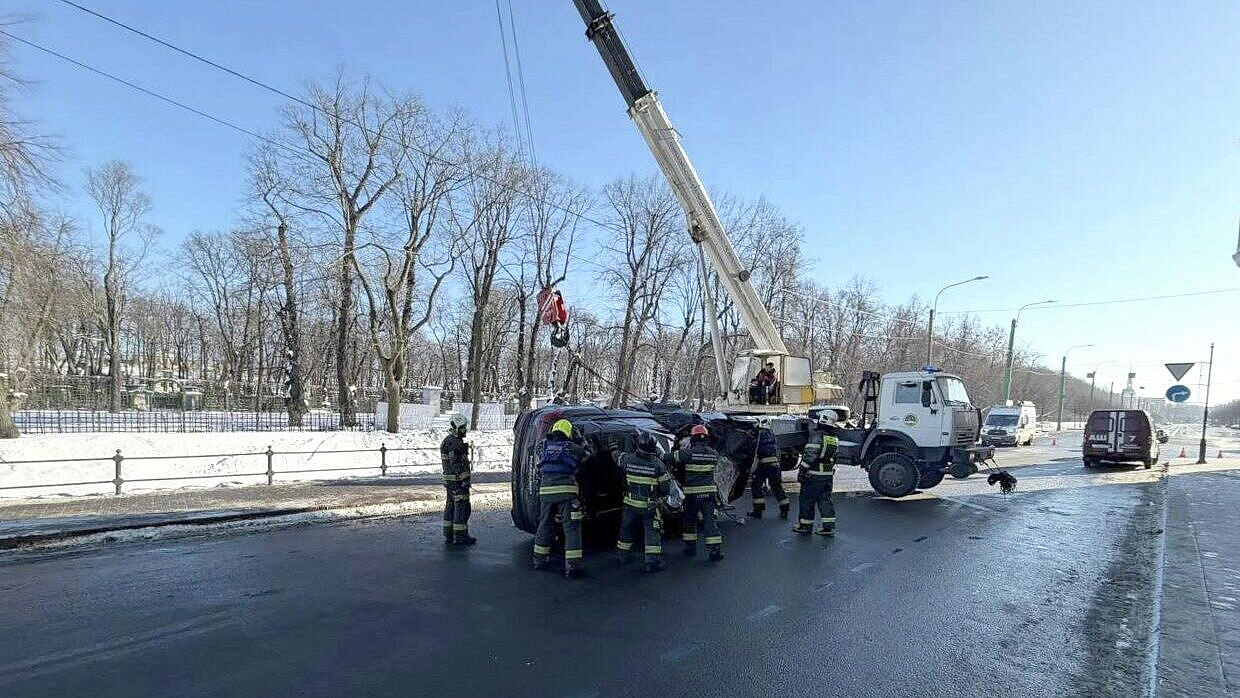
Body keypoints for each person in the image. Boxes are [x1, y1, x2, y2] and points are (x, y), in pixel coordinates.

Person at [532, 419, 589, 578]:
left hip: (546, 492)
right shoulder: (572, 448)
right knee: (571, 528)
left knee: (544, 524)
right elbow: (588, 456)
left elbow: (537, 451)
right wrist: (580, 440)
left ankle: (539, 559)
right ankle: (572, 566)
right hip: (567, 492)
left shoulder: (543, 446)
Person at [614, 431, 673, 572]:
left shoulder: (627, 459)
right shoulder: (658, 465)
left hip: (630, 503)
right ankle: (652, 562)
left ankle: (622, 556)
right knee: (651, 531)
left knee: (626, 528)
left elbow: (616, 457)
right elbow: (665, 488)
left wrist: (613, 446)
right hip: (649, 506)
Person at [664, 424, 723, 561]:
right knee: (710, 521)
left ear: (693, 438)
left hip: (692, 494)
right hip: (709, 494)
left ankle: (690, 548)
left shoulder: (687, 453)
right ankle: (715, 550)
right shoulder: (714, 454)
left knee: (690, 520)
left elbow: (668, 457)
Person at [794, 414, 839, 536]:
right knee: (825, 500)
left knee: (807, 500)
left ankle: (805, 526)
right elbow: (834, 457)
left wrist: (802, 470)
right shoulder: (833, 437)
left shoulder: (818, 435)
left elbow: (810, 455)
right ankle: (828, 527)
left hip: (813, 475)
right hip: (827, 475)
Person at [440, 413, 475, 546]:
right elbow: (457, 464)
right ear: (455, 427)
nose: (465, 430)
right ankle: (460, 536)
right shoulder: (455, 443)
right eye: (463, 427)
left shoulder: (448, 440)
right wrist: (464, 480)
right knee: (462, 508)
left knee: (451, 506)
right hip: (458, 482)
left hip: (450, 481)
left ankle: (449, 533)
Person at [748, 419, 790, 519]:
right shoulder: (771, 433)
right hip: (775, 465)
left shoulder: (759, 434)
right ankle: (785, 509)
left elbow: (754, 448)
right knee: (776, 487)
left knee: (756, 485)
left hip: (764, 464)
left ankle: (758, 511)